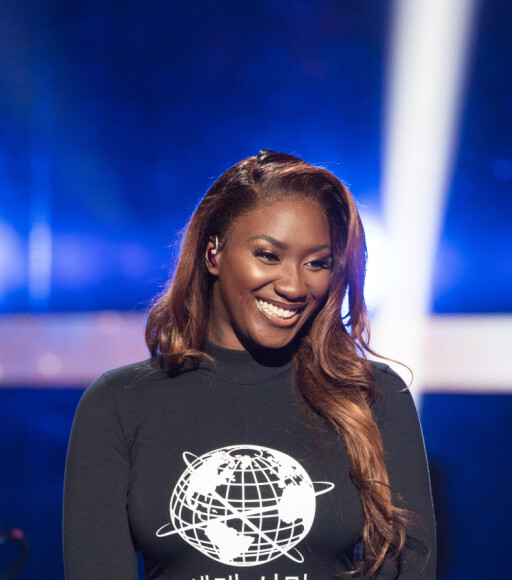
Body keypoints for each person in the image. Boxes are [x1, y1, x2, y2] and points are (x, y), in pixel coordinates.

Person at [63, 150, 436, 579]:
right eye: (268, 255)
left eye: (317, 263)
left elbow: (413, 569)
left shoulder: (372, 397)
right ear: (213, 254)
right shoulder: (119, 405)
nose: (295, 285)